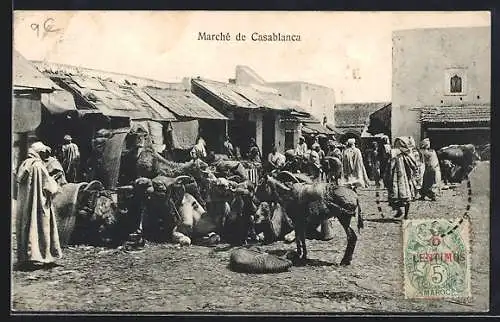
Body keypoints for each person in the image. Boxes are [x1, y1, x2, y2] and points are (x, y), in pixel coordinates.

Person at [15, 142, 62, 269]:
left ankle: (27, 256)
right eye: (43, 153)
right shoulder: (38, 166)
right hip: (39, 203)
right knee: (41, 226)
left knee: (28, 226)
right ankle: (41, 255)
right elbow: (49, 187)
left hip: (26, 205)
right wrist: (56, 185)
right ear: (39, 152)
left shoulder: (24, 164)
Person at [386, 137, 418, 219]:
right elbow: (413, 165)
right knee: (402, 197)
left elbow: (390, 166)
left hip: (400, 179)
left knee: (398, 197)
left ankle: (402, 212)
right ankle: (402, 213)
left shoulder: (398, 155)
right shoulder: (404, 154)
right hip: (401, 179)